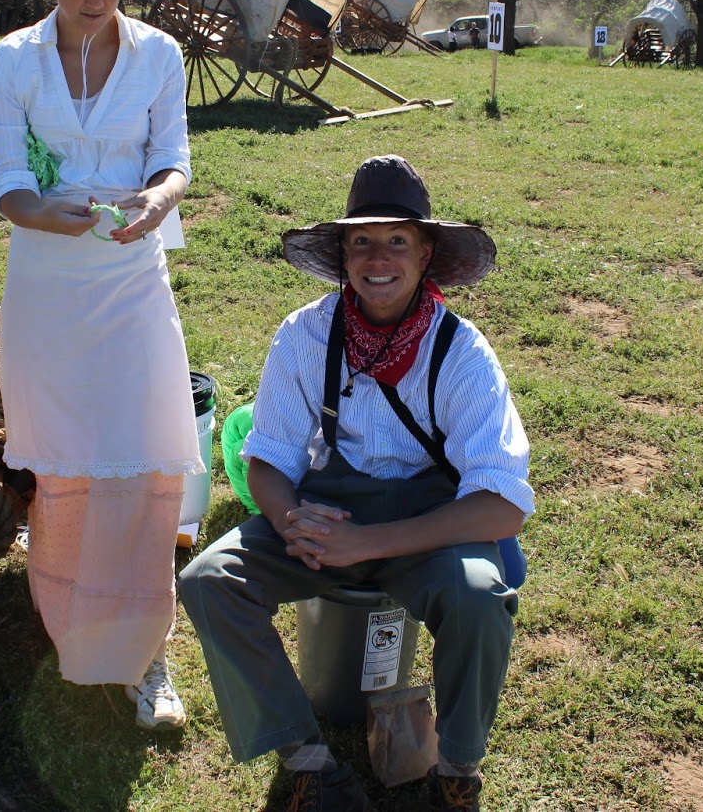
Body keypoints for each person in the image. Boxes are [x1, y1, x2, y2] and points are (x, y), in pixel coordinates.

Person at [179, 155, 533, 811]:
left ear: (425, 255)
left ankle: (456, 773)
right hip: (328, 512)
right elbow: (268, 459)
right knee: (209, 580)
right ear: (342, 256)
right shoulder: (306, 334)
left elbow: (501, 507)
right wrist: (292, 521)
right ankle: (311, 766)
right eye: (361, 240)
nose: (378, 258)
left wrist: (369, 543)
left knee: (480, 596)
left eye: (397, 240)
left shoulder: (461, 351)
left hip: (426, 529)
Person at [0, 0, 201, 730]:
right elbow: (9, 184)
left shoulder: (160, 54)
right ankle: (69, 617)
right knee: (67, 458)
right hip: (47, 281)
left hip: (132, 275)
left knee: (144, 451)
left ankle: (148, 648)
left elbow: (174, 158)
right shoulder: (12, 61)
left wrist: (156, 200)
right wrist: (48, 213)